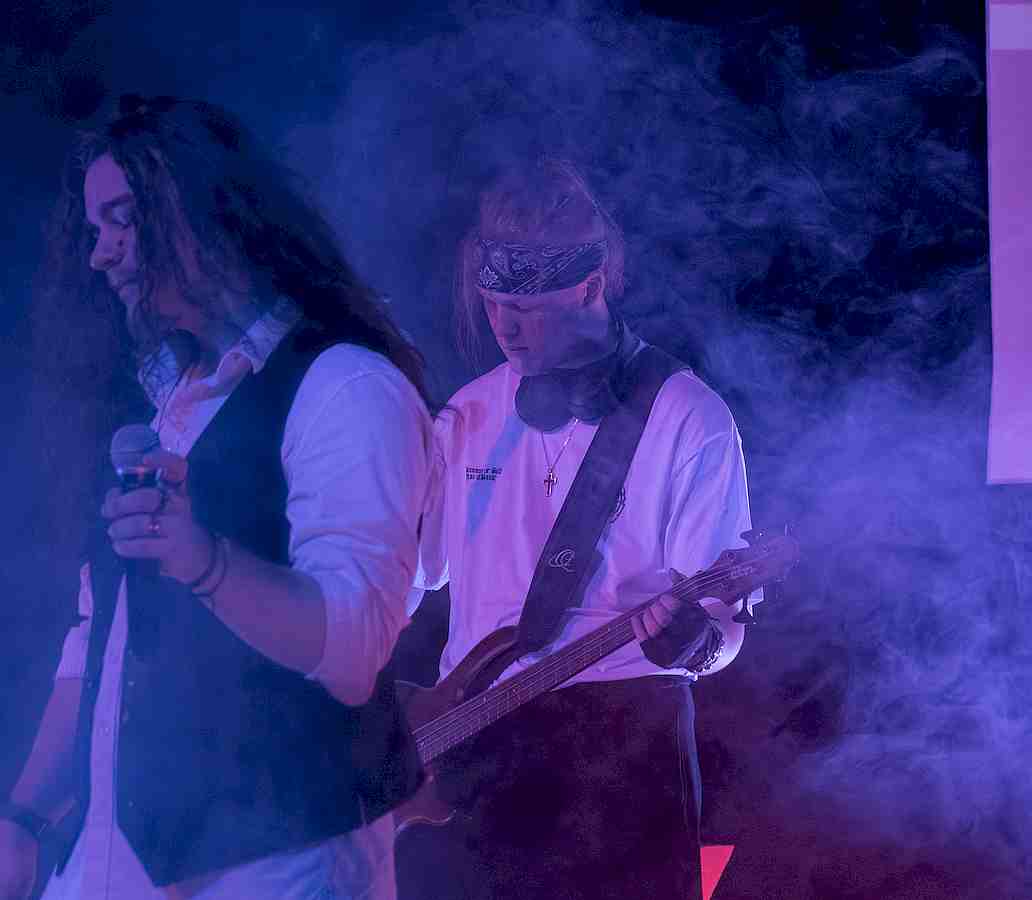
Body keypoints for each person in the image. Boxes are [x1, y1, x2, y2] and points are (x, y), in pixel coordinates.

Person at [0, 95, 431, 900]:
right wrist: (24, 817)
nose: (101, 254)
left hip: (284, 860)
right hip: (118, 853)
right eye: (94, 229)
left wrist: (205, 562)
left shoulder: (347, 387)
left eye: (125, 219)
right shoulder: (164, 397)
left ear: (205, 210)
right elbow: (98, 634)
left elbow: (352, 653)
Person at [394, 158, 756, 899]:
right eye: (492, 303)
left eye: (527, 307)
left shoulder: (687, 416)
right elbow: (399, 582)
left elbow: (727, 627)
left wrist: (695, 643)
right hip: (470, 742)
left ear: (591, 286)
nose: (503, 326)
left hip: (624, 744)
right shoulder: (466, 415)